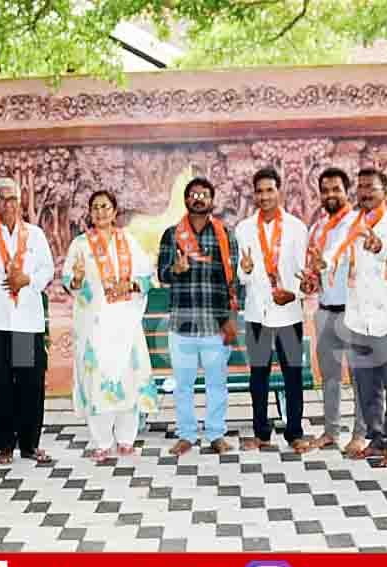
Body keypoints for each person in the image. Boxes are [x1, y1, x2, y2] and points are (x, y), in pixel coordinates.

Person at [63, 190, 159, 462]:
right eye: (95, 207)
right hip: (95, 324)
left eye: (105, 206)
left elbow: (147, 276)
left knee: (128, 377)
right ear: (90, 213)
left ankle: (127, 440)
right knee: (97, 379)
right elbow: (70, 281)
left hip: (126, 323)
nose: (100, 212)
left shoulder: (128, 240)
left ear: (115, 211)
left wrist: (132, 285)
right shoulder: (80, 245)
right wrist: (77, 279)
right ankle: (102, 442)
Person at [157, 177, 240, 456]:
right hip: (182, 324)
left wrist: (231, 318)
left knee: (217, 384)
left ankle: (216, 434)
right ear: (186, 199)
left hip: (216, 325)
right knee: (183, 385)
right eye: (193, 194)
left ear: (212, 201)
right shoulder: (171, 234)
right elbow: (162, 274)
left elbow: (233, 281)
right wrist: (175, 270)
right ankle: (187, 435)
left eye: (204, 194)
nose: (199, 198)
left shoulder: (225, 235)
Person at [0, 178, 55, 465]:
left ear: (20, 202)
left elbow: (47, 269)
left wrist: (28, 279)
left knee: (29, 384)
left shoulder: (35, 235)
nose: (7, 204)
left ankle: (29, 445)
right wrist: (6, 272)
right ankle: (4, 446)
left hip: (26, 322)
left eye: (12, 199)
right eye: (1, 199)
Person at [234, 167, 309, 453]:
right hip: (257, 313)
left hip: (289, 313)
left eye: (269, 190)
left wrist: (295, 294)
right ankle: (261, 433)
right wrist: (246, 269)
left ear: (279, 191)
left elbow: (304, 272)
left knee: (293, 375)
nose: (264, 196)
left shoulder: (296, 227)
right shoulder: (243, 229)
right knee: (258, 376)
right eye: (259, 191)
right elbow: (242, 276)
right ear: (254, 195)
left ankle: (295, 433)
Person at [301, 167, 366, 453]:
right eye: (325, 190)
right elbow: (314, 272)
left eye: (336, 189)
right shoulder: (317, 229)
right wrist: (309, 281)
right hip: (326, 309)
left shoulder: (358, 223)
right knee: (330, 377)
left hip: (354, 310)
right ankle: (330, 431)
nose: (330, 195)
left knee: (362, 376)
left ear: (346, 191)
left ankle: (361, 433)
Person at [346, 167, 387, 467]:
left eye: (371, 187)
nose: (365, 193)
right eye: (361, 187)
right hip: (358, 318)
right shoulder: (354, 226)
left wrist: (380, 249)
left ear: (385, 192)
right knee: (366, 385)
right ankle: (377, 438)